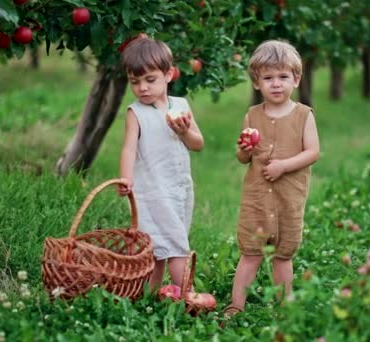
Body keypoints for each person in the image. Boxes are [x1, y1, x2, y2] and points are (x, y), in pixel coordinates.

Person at [224, 40, 320, 317]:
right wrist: (244, 150)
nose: (276, 84)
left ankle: (283, 308)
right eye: (268, 78)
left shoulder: (303, 115)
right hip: (256, 200)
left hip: (287, 199)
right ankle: (235, 305)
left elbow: (313, 152)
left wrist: (284, 166)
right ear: (257, 83)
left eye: (283, 77)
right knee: (251, 253)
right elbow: (244, 158)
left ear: (296, 79)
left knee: (283, 256)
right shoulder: (252, 115)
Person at [117, 37, 204, 290]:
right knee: (176, 245)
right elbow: (128, 148)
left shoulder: (181, 106)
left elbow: (198, 144)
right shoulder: (136, 113)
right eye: (135, 82)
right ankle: (189, 298)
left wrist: (184, 132)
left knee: (159, 247)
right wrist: (125, 178)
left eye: (149, 80)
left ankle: (150, 297)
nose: (142, 88)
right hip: (152, 191)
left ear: (168, 74)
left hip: (180, 189)